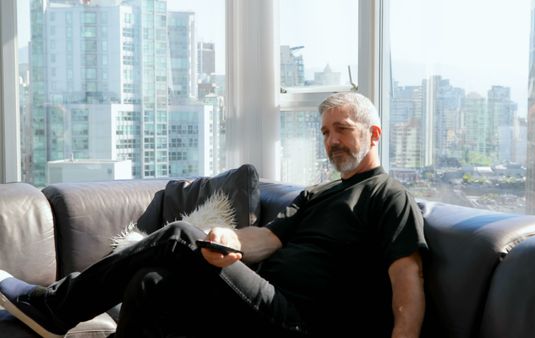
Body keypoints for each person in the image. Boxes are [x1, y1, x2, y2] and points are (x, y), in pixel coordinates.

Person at [0, 92, 427, 337]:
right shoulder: (318, 194)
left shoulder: (389, 197)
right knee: (150, 284)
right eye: (325, 132)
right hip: (262, 299)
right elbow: (268, 239)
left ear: (372, 134)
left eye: (342, 130)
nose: (331, 141)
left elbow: (407, 287)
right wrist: (229, 239)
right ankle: (58, 309)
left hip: (304, 321)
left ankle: (53, 307)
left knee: (182, 234)